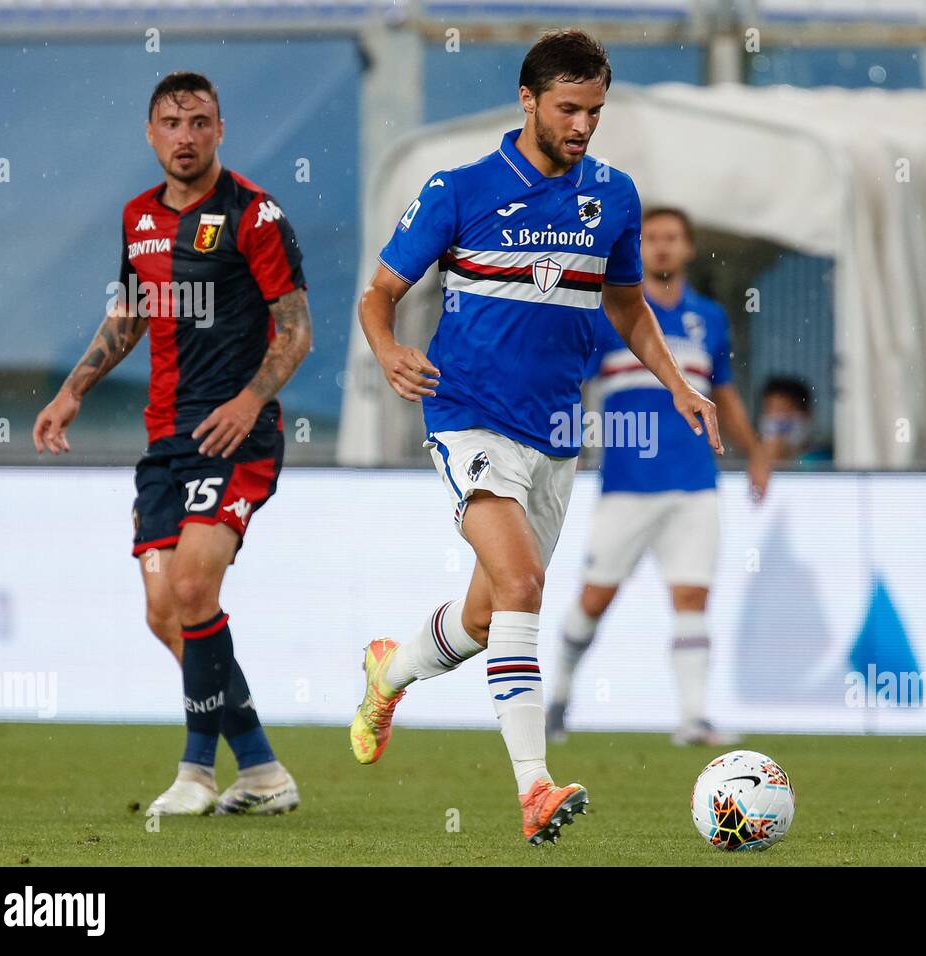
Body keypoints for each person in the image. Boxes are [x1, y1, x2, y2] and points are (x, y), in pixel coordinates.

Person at [349, 30, 722, 846]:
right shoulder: (460, 188)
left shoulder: (614, 196)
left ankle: (390, 671)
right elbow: (379, 294)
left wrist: (676, 382)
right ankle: (534, 789)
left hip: (556, 435)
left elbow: (625, 303)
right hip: (468, 416)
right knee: (521, 586)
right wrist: (388, 350)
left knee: (487, 618)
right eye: (568, 109)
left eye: (595, 109)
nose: (584, 125)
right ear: (528, 101)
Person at [32, 72, 311, 816]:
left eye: (199, 122)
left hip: (239, 436)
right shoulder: (139, 219)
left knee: (193, 590)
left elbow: (296, 332)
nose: (185, 136)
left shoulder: (255, 215)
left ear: (221, 130)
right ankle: (261, 768)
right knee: (165, 611)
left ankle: (197, 772)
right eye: (171, 123)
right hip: (166, 443)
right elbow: (130, 311)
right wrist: (73, 391)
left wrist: (250, 399)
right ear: (150, 135)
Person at [546, 206, 770, 747]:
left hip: (694, 484)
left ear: (689, 248)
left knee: (692, 597)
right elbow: (570, 385)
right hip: (627, 487)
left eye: (672, 238)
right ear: (638, 248)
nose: (662, 248)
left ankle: (693, 718)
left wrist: (756, 451)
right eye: (652, 239)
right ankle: (557, 698)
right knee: (594, 599)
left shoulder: (709, 319)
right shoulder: (611, 314)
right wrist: (558, 444)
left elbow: (725, 394)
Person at [759, 376, 831, 465]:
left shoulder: (823, 462)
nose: (778, 419)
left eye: (784, 410)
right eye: (770, 411)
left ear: (807, 414)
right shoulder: (746, 461)